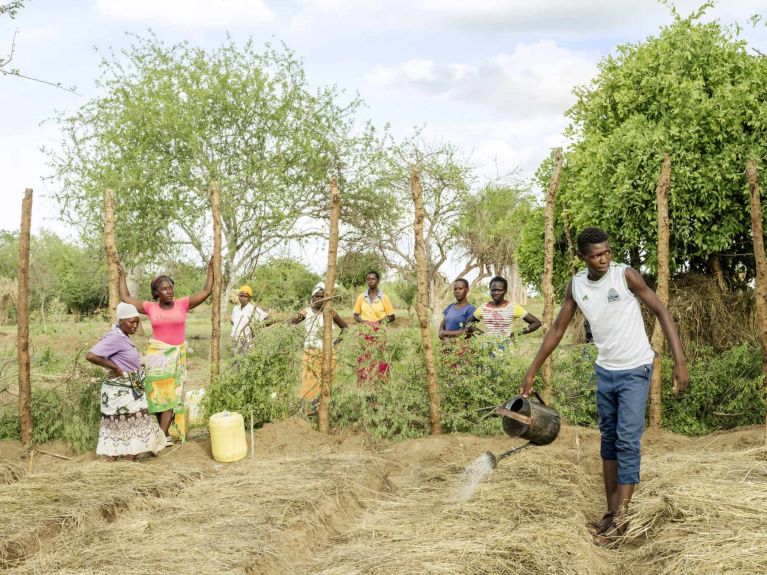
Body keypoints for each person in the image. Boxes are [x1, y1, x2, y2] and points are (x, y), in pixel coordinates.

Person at [519, 227, 689, 545]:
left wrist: (679, 363)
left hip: (636, 369)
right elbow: (556, 329)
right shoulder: (577, 286)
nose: (604, 259)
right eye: (597, 255)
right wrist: (532, 371)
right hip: (606, 372)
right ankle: (611, 514)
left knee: (627, 442)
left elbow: (661, 311)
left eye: (607, 252)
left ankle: (622, 522)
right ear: (582, 257)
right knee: (608, 444)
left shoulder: (625, 276)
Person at [117, 260, 213, 445]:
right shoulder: (150, 307)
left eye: (171, 288)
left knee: (171, 394)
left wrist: (210, 269)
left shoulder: (182, 304)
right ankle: (165, 434)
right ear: (156, 293)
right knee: (155, 395)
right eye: (164, 289)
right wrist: (121, 275)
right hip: (156, 355)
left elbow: (206, 291)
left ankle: (160, 437)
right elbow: (126, 298)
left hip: (176, 355)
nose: (169, 291)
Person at [86, 302, 166, 461]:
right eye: (131, 322)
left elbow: (127, 359)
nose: (135, 325)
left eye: (137, 321)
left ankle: (124, 461)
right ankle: (120, 462)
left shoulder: (123, 336)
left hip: (130, 388)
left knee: (130, 425)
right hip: (121, 391)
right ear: (120, 320)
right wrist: (115, 368)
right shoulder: (115, 337)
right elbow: (91, 355)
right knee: (128, 424)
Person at [290, 283, 348, 409]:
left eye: (322, 296)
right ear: (313, 298)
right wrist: (300, 340)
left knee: (327, 380)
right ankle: (310, 408)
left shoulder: (330, 312)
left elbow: (345, 328)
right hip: (310, 352)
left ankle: (327, 407)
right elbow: (291, 323)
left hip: (328, 353)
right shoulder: (307, 311)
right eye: (317, 296)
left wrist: (335, 345)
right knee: (309, 380)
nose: (319, 299)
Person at [467, 276, 541, 353]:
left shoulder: (513, 307)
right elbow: (469, 324)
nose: (496, 293)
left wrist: (515, 334)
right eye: (493, 290)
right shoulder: (483, 307)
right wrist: (483, 335)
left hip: (506, 349)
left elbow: (536, 323)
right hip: (486, 349)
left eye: (499, 290)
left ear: (505, 291)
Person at [352, 271, 395, 382]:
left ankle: (380, 382)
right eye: (368, 279)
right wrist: (363, 323)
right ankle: (364, 382)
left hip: (379, 332)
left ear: (377, 280)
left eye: (373, 279)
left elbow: (392, 317)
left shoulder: (384, 298)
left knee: (379, 356)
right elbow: (355, 315)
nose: (370, 281)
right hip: (364, 331)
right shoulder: (361, 297)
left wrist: (379, 322)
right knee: (364, 356)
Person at [231, 285, 268, 354]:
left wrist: (257, 327)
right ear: (238, 296)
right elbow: (233, 322)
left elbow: (266, 319)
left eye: (245, 296)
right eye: (241, 295)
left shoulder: (253, 308)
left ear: (250, 298)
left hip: (246, 342)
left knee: (244, 361)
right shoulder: (235, 308)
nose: (242, 298)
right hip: (235, 342)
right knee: (235, 362)